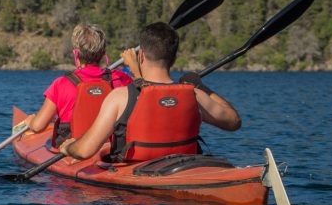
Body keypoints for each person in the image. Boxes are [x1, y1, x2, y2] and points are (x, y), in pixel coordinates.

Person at [59, 22, 241, 162]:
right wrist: (201, 87)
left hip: (133, 190)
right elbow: (234, 121)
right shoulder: (194, 94)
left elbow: (84, 151)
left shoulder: (120, 97)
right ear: (174, 58)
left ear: (142, 56)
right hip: (182, 170)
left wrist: (67, 148)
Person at [22, 23, 135, 148]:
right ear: (103, 54)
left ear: (76, 54)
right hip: (108, 151)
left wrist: (30, 121)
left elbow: (38, 127)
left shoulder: (61, 84)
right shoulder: (122, 79)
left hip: (72, 151)